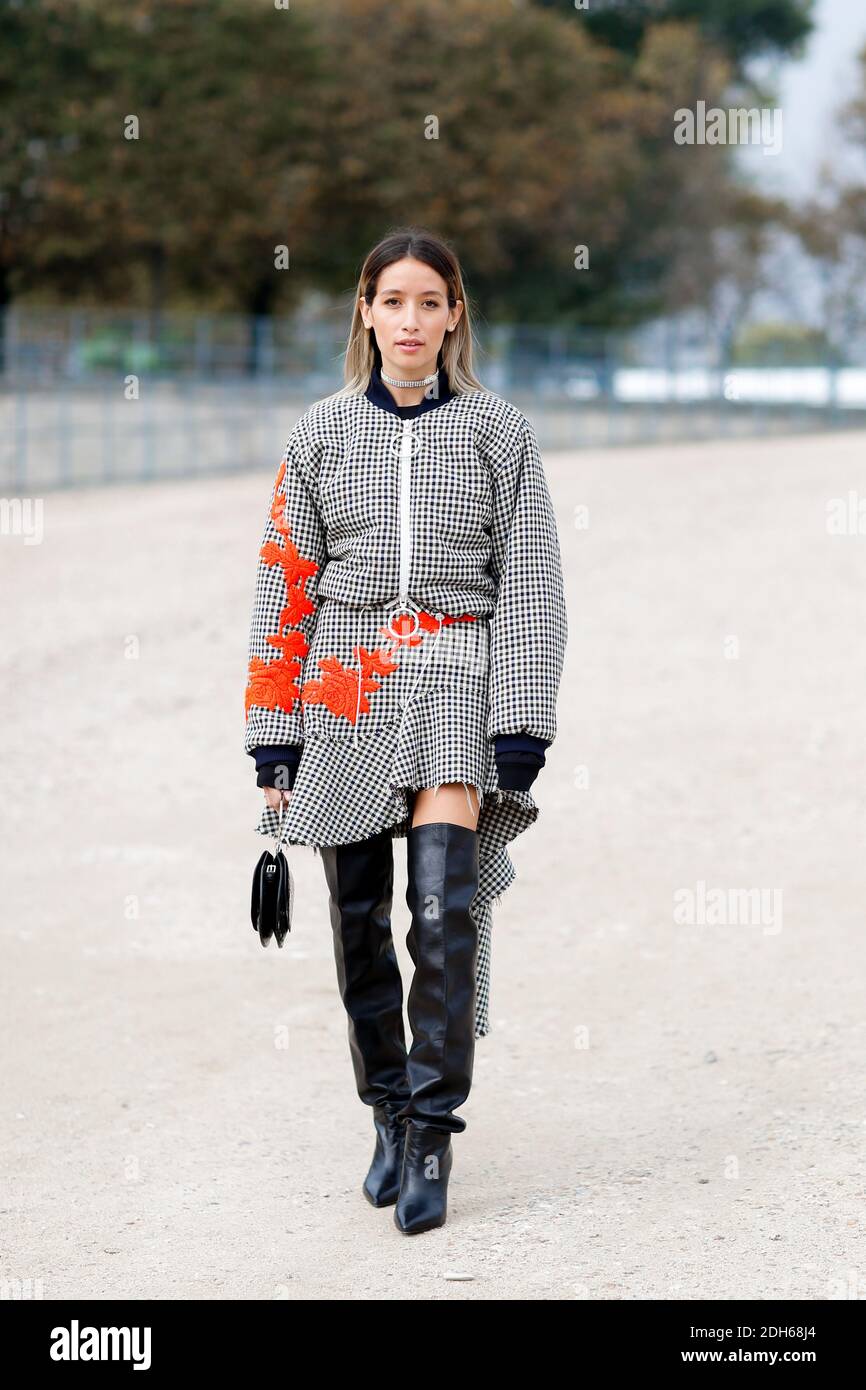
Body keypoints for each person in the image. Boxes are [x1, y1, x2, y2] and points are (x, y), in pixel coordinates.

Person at [243, 226, 567, 1234]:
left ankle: (432, 1124)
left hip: (452, 687)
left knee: (439, 912)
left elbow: (532, 585)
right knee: (356, 926)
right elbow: (283, 585)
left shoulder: (498, 432)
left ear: (455, 312)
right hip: (341, 683)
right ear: (365, 310)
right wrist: (271, 735)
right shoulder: (320, 433)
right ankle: (384, 1107)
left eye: (431, 301)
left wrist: (519, 721)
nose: (412, 320)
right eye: (394, 301)